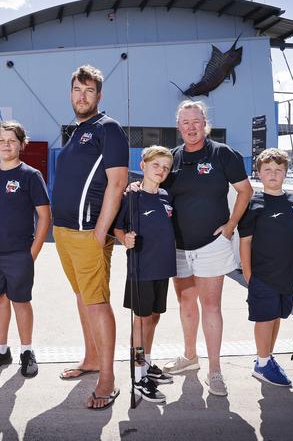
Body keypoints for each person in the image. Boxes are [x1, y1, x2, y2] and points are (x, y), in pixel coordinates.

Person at [161, 100, 253, 397]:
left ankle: (215, 370)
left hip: (212, 245)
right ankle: (190, 357)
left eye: (196, 121)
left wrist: (231, 225)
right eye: (185, 122)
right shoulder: (171, 158)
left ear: (205, 123)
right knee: (186, 304)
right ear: (178, 127)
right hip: (177, 246)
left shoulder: (222, 154)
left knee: (210, 306)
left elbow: (245, 190)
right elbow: (156, 187)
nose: (191, 127)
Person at [52, 65, 128, 410]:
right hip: (64, 232)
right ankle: (91, 359)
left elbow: (117, 182)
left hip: (87, 233)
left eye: (89, 91)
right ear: (70, 93)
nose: (82, 97)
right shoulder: (77, 132)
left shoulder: (107, 128)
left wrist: (100, 230)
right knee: (83, 297)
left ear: (99, 96)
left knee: (96, 301)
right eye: (77, 90)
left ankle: (108, 378)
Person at [0, 121, 51, 378]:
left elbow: (44, 217)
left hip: (19, 254)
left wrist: (32, 254)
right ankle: (1, 350)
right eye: (2, 140)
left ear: (21, 144)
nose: (6, 144)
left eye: (12, 140)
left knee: (21, 301)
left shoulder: (31, 176)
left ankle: (27, 351)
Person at [238, 148, 293, 386]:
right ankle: (261, 364)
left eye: (278, 170)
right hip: (262, 274)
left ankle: (267, 357)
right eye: (267, 169)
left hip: (287, 274)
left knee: (277, 316)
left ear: (286, 173)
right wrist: (248, 274)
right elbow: (245, 241)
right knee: (265, 318)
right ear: (258, 173)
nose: (273, 174)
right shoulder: (254, 204)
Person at [114, 145, 176, 404]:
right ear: (143, 166)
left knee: (154, 318)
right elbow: (118, 229)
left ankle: (147, 363)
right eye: (155, 165)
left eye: (165, 167)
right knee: (140, 322)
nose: (160, 170)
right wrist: (124, 239)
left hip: (163, 268)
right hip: (141, 269)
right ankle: (138, 374)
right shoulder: (131, 196)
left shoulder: (166, 197)